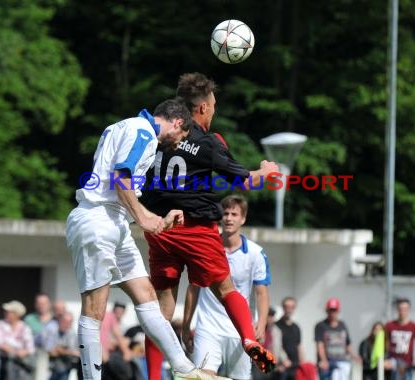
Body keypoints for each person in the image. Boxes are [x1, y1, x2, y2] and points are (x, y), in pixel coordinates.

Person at [66, 98, 226, 380]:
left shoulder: (128, 127)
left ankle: (185, 371)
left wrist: (151, 216)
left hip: (114, 222)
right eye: (182, 136)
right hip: (97, 221)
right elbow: (120, 177)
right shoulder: (142, 131)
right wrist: (143, 217)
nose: (178, 143)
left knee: (146, 294)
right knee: (95, 308)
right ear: (177, 122)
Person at [141, 72, 278, 379]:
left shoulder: (158, 135)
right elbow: (245, 180)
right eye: (213, 105)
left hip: (160, 229)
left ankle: (152, 375)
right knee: (226, 289)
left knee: (161, 309)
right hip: (196, 229)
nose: (214, 110)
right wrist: (267, 171)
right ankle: (249, 339)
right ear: (202, 108)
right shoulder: (209, 142)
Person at [182, 194, 271, 380]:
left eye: (234, 214)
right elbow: (193, 288)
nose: (229, 218)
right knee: (202, 377)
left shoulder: (256, 253)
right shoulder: (204, 247)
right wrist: (186, 325)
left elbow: (261, 293)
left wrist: (261, 324)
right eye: (226, 213)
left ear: (243, 218)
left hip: (240, 331)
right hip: (208, 328)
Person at [314, 298, 361, 380]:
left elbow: (347, 344)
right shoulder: (321, 326)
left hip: (342, 362)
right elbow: (320, 345)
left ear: (338, 311)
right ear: (326, 311)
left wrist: (355, 356)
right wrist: (323, 360)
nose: (332, 313)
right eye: (330, 310)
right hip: (328, 363)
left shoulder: (342, 325)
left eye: (334, 310)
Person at [385, 298, 415, 380]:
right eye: (400, 309)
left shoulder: (414, 326)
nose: (402, 311)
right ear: (397, 310)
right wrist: (385, 359)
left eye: (405, 309)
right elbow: (384, 343)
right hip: (393, 363)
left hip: (407, 364)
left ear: (409, 310)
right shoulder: (389, 325)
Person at [0, 300, 35, 380]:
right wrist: (15, 352)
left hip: (21, 363)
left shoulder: (25, 327)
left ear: (17, 314)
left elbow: (30, 348)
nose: (6, 313)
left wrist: (23, 352)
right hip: (3, 361)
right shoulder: (1, 324)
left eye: (9, 312)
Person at [24, 293, 53, 380]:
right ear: (35, 305)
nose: (41, 306)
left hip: (53, 356)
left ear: (49, 304)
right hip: (32, 355)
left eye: (44, 303)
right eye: (39, 303)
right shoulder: (28, 319)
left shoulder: (56, 319)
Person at [42, 312, 79, 380]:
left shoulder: (73, 334)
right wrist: (67, 351)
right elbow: (50, 351)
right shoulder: (53, 331)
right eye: (64, 322)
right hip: (50, 369)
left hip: (66, 368)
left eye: (69, 322)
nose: (66, 324)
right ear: (60, 321)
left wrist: (60, 350)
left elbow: (76, 354)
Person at [275, 296, 304, 380]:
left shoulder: (296, 327)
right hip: (281, 368)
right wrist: (279, 363)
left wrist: (302, 363)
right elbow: (273, 347)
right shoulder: (276, 326)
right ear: (283, 308)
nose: (289, 309)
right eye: (287, 307)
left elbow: (299, 346)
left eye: (292, 307)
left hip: (295, 367)